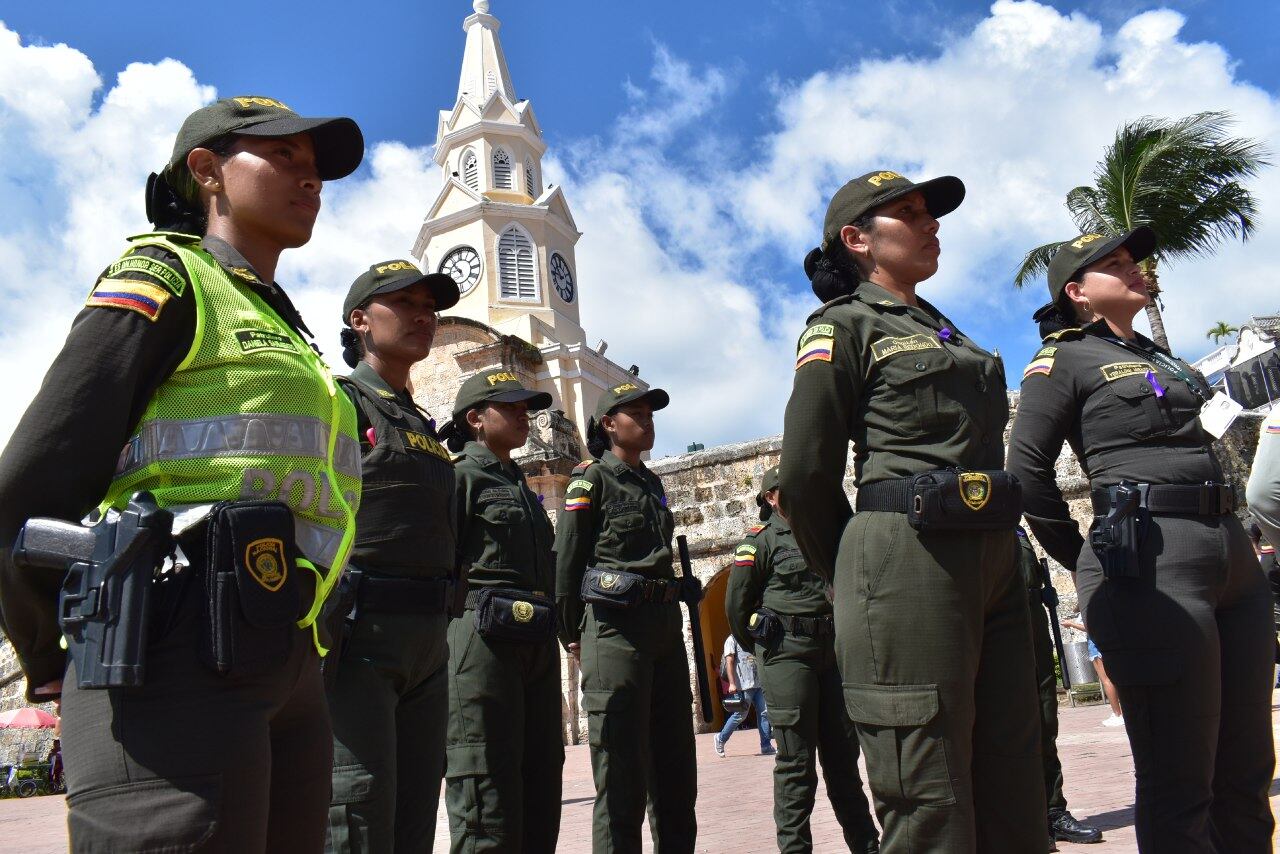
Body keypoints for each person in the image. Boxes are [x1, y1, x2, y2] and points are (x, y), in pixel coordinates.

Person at [0, 96, 365, 849]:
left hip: (282, 651)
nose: (311, 180)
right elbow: (33, 482)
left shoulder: (280, 321)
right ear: (208, 171)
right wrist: (52, 654)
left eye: (317, 168)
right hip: (172, 648)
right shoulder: (166, 277)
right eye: (284, 157)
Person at [779, 170, 1047, 853]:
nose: (931, 224)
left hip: (992, 550)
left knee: (1015, 778)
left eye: (931, 213)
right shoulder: (842, 327)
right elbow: (806, 474)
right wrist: (854, 575)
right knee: (928, 792)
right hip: (908, 556)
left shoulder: (946, 330)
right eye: (908, 213)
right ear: (857, 240)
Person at [1007, 228, 1275, 851]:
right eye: (1116, 264)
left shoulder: (1164, 359)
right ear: (1078, 292)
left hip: (1230, 552)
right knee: (1181, 778)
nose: (1135, 268)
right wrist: (1085, 557)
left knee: (1246, 770)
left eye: (1134, 259)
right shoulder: (1064, 359)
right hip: (1152, 561)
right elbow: (1026, 471)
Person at [324, 259, 460, 851]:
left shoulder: (422, 423)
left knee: (414, 811)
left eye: (429, 307)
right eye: (403, 304)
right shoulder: (339, 402)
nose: (422, 316)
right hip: (362, 632)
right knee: (357, 806)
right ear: (360, 320)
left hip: (428, 637)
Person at [553, 381, 698, 853]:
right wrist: (572, 632)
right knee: (620, 777)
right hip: (614, 632)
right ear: (608, 424)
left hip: (663, 631)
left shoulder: (652, 483)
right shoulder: (590, 479)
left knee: (676, 772)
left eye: (650, 413)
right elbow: (569, 559)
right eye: (634, 413)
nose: (647, 420)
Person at [439, 370, 564, 852]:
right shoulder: (460, 478)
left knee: (540, 778)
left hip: (532, 638)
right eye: (509, 407)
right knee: (484, 784)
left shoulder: (519, 485)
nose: (522, 415)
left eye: (525, 407)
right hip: (480, 640)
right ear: (475, 419)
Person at [726, 465, 879, 854]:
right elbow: (737, 611)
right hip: (787, 655)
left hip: (832, 652)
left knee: (844, 762)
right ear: (771, 498)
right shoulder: (759, 542)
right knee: (796, 765)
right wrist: (769, 649)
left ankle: (867, 846)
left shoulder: (825, 532)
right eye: (786, 488)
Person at [1015, 529, 1105, 845]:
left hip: (1031, 620)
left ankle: (1052, 812)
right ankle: (1019, 819)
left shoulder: (1014, 524)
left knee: (1044, 719)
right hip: (991, 624)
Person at [714, 632, 774, 757]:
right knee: (740, 715)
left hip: (758, 683)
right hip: (743, 684)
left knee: (764, 713)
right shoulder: (732, 639)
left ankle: (766, 745)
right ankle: (720, 738)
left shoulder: (753, 637)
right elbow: (729, 661)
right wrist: (732, 683)